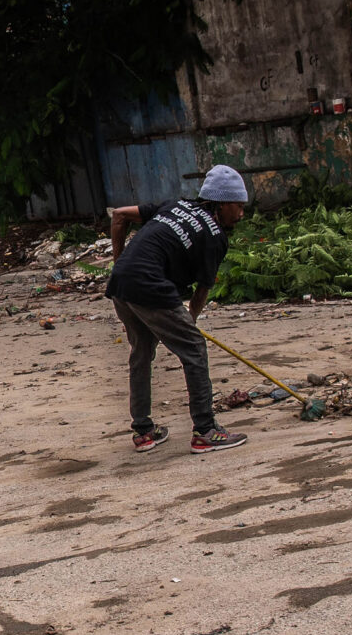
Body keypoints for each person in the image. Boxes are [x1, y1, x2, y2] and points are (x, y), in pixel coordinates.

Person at [105, 164, 251, 454]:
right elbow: (202, 292)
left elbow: (119, 215)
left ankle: (144, 432)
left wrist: (119, 263)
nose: (242, 213)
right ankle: (206, 430)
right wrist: (188, 325)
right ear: (222, 204)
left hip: (121, 284)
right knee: (194, 348)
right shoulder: (215, 237)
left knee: (142, 351)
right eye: (239, 205)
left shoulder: (176, 205)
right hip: (150, 285)